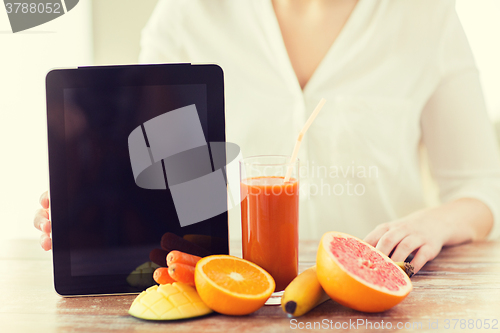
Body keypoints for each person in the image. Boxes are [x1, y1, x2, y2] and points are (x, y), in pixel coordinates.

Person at [34, 0, 500, 274]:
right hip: (235, 297)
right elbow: (158, 175)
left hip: (383, 299)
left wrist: (434, 223)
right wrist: (92, 204)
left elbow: (480, 189)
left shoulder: (427, 16)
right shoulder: (187, 14)